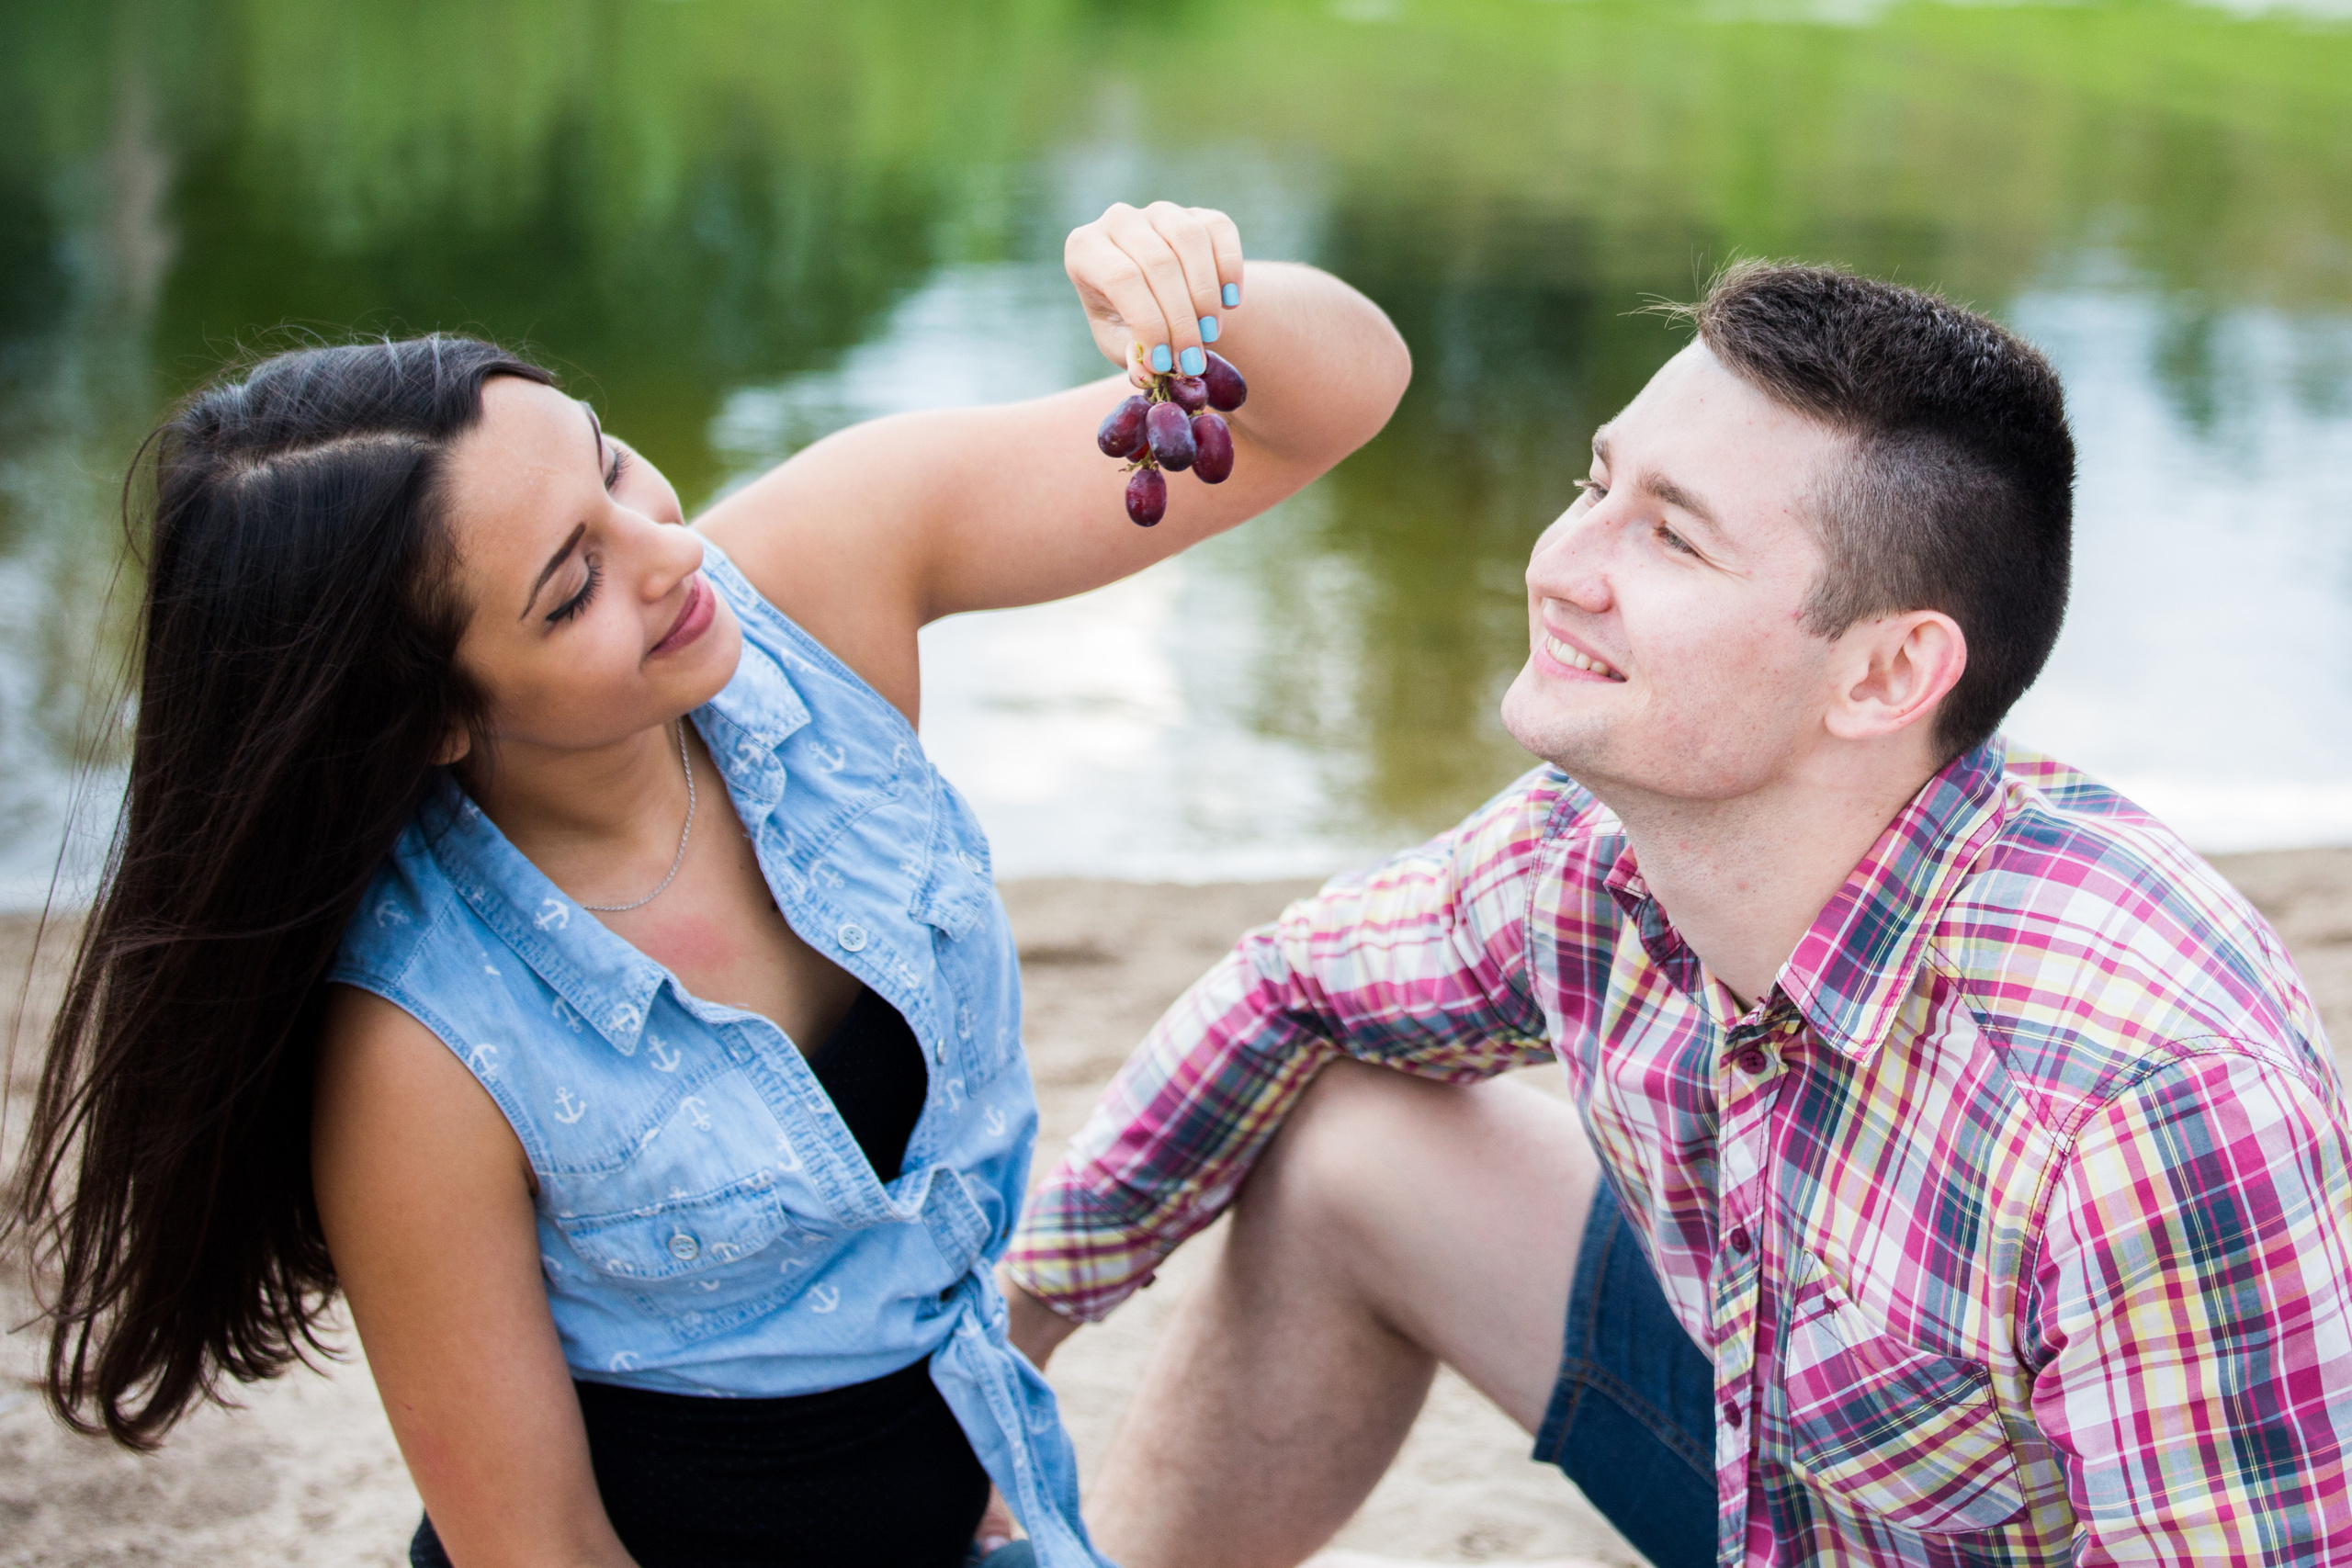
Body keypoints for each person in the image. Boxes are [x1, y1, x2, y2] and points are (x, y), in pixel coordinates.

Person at [5, 201, 1409, 1568]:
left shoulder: (811, 578)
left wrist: (1191, 294)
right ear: (430, 718)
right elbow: (537, 1545)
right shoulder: (416, 1046)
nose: (675, 556)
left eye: (610, 466)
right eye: (572, 589)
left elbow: (1332, 401)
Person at [1002, 263, 2352, 1566]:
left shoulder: (2143, 1111)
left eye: (1671, 536)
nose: (1562, 567)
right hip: (1775, 1470)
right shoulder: (1591, 850)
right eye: (1597, 484)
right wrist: (1009, 1341)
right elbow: (1289, 990)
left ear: (1886, 672)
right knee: (1346, 1129)